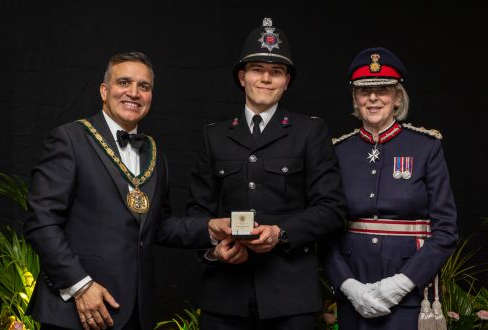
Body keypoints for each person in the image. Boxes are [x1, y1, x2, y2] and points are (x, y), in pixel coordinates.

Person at [24, 51, 228, 330]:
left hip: (134, 314)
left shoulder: (155, 155)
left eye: (144, 86)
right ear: (104, 90)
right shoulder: (69, 139)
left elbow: (158, 227)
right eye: (124, 83)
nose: (134, 93)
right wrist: (80, 286)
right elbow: (41, 222)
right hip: (75, 312)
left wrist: (210, 229)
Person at [187, 18, 347, 329]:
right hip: (224, 296)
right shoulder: (214, 136)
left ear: (287, 81)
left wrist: (281, 233)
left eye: (276, 72)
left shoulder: (310, 131)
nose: (266, 79)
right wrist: (213, 250)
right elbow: (197, 211)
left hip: (289, 297)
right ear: (242, 76)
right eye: (257, 69)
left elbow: (332, 209)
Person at [324, 47, 458, 329]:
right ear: (355, 98)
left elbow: (445, 230)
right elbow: (325, 228)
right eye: (364, 90)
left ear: (397, 98)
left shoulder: (426, 147)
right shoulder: (337, 152)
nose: (373, 98)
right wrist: (348, 285)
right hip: (354, 287)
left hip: (410, 291)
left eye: (383, 89)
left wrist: (403, 283)